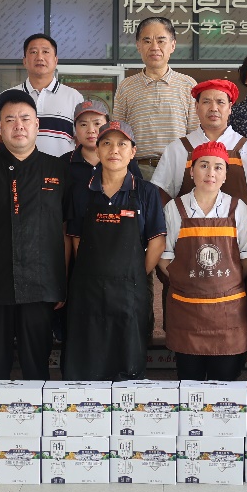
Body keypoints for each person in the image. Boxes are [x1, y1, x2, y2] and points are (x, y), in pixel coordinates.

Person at [0, 90, 71, 380]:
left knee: (36, 368)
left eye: (25, 119)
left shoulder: (58, 170)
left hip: (41, 286)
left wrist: (61, 282)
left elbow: (65, 230)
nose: (18, 125)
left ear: (37, 125)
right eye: (10, 119)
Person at [63, 121, 165, 380]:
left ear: (133, 151)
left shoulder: (147, 192)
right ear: (97, 150)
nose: (114, 150)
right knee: (85, 364)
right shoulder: (81, 192)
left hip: (130, 293)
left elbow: (157, 242)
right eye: (106, 143)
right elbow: (75, 240)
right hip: (87, 293)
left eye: (122, 144)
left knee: (127, 363)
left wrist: (133, 274)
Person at [159, 141, 247, 381]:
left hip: (228, 311)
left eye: (218, 167)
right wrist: (187, 283)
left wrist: (224, 285)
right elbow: (165, 257)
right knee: (190, 382)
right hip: (187, 310)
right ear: (191, 171)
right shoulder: (175, 209)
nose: (211, 173)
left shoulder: (237, 208)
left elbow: (246, 256)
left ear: (225, 175)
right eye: (203, 165)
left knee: (226, 383)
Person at [151, 79, 247, 205]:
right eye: (206, 102)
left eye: (220, 102)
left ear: (230, 107)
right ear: (196, 107)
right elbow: (160, 196)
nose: (214, 108)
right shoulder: (177, 149)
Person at [112, 16, 198, 180]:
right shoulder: (126, 87)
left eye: (161, 41)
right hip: (138, 171)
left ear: (173, 45)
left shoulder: (188, 85)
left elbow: (195, 132)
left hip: (178, 169)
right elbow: (119, 133)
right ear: (138, 45)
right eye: (147, 41)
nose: (154, 47)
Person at [0, 34, 86, 157]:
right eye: (33, 52)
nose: (40, 57)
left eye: (45, 52)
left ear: (55, 60)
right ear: (25, 61)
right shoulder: (7, 97)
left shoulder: (73, 97)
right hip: (17, 168)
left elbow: (81, 139)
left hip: (62, 168)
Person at [65, 99, 142, 187]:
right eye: (83, 125)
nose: (91, 130)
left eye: (97, 123)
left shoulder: (124, 160)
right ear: (75, 129)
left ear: (108, 125)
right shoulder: (63, 163)